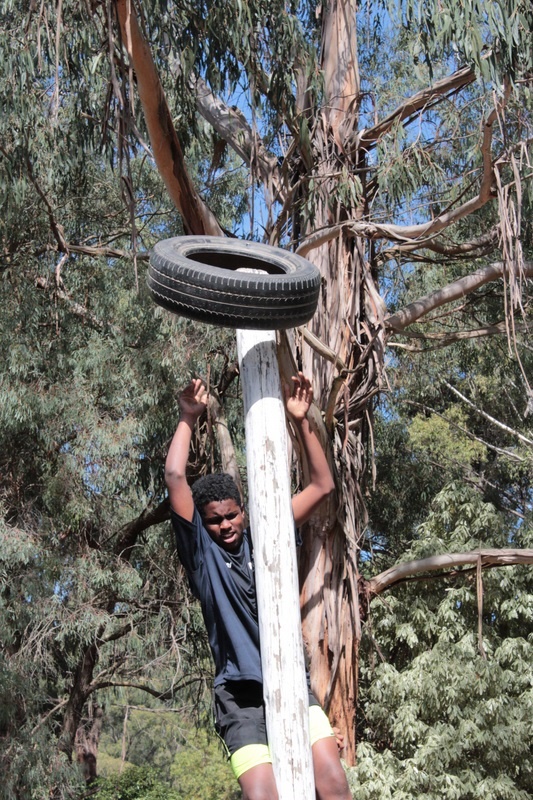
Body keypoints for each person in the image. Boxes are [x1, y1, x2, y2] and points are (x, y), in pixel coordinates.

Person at [165, 372, 352, 800]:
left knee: (334, 784)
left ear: (244, 511)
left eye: (231, 515)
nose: (225, 525)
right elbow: (176, 477)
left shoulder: (270, 533)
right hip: (239, 698)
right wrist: (188, 417)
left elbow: (322, 486)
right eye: (214, 520)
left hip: (291, 682)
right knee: (263, 796)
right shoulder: (202, 554)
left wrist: (300, 420)